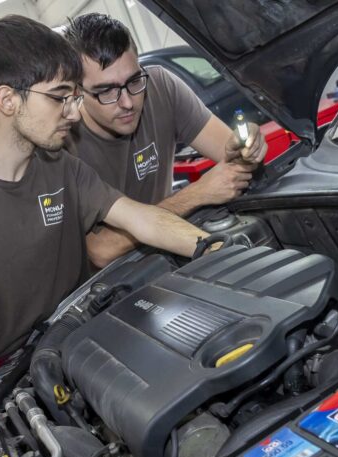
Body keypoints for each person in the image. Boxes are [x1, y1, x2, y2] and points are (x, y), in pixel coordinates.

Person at [0, 15, 215, 429]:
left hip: (88, 342)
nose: (72, 111)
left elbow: (141, 219)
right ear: (8, 100)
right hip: (9, 383)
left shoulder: (61, 166)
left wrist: (211, 246)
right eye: (59, 97)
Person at [63, 13, 269, 268]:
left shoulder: (160, 86)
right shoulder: (63, 141)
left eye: (134, 80)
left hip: (172, 251)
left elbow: (239, 163)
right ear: (76, 91)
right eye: (107, 91)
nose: (127, 102)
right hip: (112, 283)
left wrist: (245, 147)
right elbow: (102, 250)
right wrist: (196, 194)